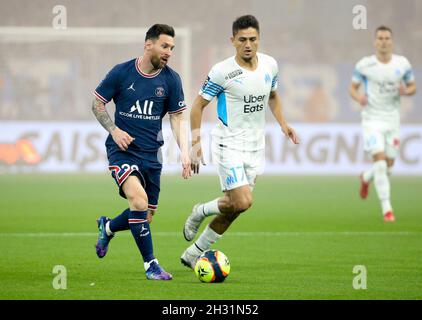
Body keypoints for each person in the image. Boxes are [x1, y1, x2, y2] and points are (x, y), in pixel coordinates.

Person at [180, 15, 299, 268]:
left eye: (253, 39)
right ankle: (200, 210)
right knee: (243, 200)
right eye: (242, 39)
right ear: (232, 41)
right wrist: (195, 143)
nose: (248, 44)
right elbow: (197, 106)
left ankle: (193, 253)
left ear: (259, 39)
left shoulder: (270, 65)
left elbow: (273, 96)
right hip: (228, 144)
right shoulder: (222, 71)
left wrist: (284, 124)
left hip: (256, 147)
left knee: (236, 208)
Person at [92, 24, 191, 280]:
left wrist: (185, 153)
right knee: (138, 201)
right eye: (164, 46)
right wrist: (114, 130)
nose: (169, 52)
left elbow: (177, 118)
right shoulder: (122, 72)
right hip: (122, 151)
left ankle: (109, 226)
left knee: (145, 214)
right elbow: (97, 103)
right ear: (149, 45)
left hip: (152, 156)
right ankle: (151, 265)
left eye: (172, 48)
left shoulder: (171, 80)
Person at [349, 25, 416, 222]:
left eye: (387, 38)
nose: (384, 41)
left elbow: (413, 86)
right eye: (380, 38)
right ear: (375, 42)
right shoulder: (365, 65)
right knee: (379, 161)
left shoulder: (402, 64)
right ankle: (387, 209)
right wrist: (358, 97)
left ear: (392, 41)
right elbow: (352, 88)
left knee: (388, 166)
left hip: (392, 120)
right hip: (372, 119)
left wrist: (406, 91)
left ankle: (366, 177)